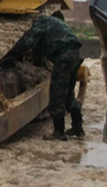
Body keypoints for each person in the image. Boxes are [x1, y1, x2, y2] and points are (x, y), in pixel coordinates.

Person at [8, 10, 84, 140]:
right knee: (69, 93)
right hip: (76, 55)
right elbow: (37, 52)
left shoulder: (40, 22)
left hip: (63, 58)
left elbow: (29, 42)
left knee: (57, 94)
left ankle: (59, 132)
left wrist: (12, 54)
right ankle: (78, 128)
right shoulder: (57, 23)